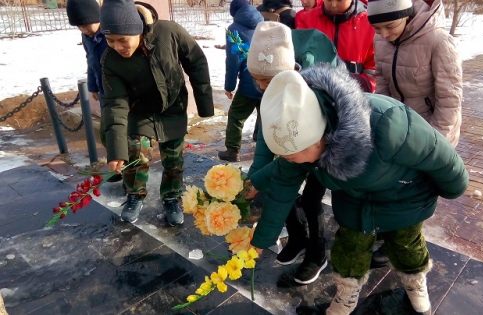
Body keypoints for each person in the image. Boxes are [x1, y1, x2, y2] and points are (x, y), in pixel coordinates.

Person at [249, 65, 468, 314]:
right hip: (355, 201)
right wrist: (262, 239)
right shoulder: (299, 149)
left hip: (404, 196)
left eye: (288, 155)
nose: (285, 159)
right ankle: (346, 292)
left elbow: (438, 155)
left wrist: (454, 187)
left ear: (318, 139)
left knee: (407, 244)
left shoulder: (388, 123)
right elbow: (281, 187)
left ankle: (415, 283)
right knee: (349, 248)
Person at [99, 0, 214, 225]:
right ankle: (134, 195)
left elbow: (196, 61)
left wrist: (204, 104)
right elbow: (115, 104)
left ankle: (171, 196)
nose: (117, 47)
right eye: (109, 41)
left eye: (122, 40)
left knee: (173, 158)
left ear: (137, 30)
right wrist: (115, 150)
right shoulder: (110, 60)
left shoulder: (169, 32)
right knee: (136, 155)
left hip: (172, 107)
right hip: (139, 111)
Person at [246, 21, 339, 285]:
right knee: (280, 182)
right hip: (296, 143)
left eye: (266, 81)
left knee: (311, 198)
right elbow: (267, 138)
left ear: (287, 71)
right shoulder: (271, 87)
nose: (261, 86)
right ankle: (297, 238)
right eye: (256, 80)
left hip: (327, 145)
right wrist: (254, 180)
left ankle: (317, 252)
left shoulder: (316, 85)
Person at [368, 0, 462, 147]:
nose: (384, 34)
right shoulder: (380, 40)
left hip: (431, 129)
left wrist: (435, 140)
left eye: (390, 26)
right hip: (398, 128)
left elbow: (450, 99)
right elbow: (382, 80)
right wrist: (383, 120)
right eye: (377, 28)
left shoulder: (438, 40)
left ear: (405, 15)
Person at [66, 0, 121, 182]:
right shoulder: (87, 38)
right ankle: (117, 168)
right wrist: (93, 86)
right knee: (107, 132)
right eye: (79, 27)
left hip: (120, 91)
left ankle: (131, 171)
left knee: (122, 133)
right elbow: (90, 62)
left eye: (86, 24)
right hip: (104, 91)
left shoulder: (112, 33)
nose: (84, 30)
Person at [217, 0, 264, 162]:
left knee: (236, 116)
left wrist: (229, 86)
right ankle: (262, 149)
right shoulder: (263, 23)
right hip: (266, 80)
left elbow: (233, 60)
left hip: (248, 83)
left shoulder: (234, 29)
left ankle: (232, 150)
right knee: (264, 115)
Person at [295, 0, 376, 92]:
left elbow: (375, 70)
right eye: (329, 0)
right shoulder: (305, 19)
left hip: (356, 93)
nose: (333, 5)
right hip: (313, 91)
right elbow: (298, 59)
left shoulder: (370, 22)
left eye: (340, 0)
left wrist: (355, 84)